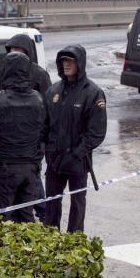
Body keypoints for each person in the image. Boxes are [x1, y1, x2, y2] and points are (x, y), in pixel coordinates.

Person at [43, 45, 107, 233]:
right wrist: (48, 152)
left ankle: (74, 240)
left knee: (77, 204)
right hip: (55, 160)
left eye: (70, 61)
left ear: (80, 63)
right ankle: (50, 238)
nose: (66, 65)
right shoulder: (53, 91)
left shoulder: (93, 92)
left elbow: (96, 133)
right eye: (63, 61)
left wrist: (76, 154)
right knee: (52, 203)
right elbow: (45, 126)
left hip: (78, 161)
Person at [0, 52, 46, 222]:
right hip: (30, 168)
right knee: (25, 216)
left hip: (4, 169)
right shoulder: (37, 99)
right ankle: (29, 248)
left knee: (0, 219)